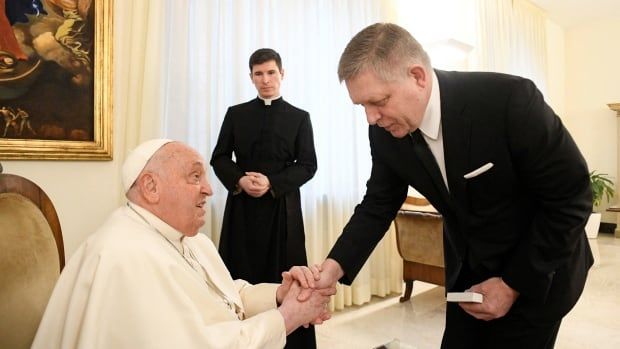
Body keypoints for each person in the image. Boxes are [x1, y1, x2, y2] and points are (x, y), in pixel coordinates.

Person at [313, 23, 594, 348]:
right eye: (362, 106)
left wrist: (512, 284)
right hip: (469, 272)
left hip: (537, 269)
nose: (371, 118)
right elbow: (378, 203)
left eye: (378, 101)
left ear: (418, 76)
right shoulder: (385, 131)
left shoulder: (508, 101)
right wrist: (332, 269)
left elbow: (572, 197)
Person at [32, 139, 333, 349]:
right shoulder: (124, 256)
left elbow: (227, 295)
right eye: (195, 177)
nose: (209, 190)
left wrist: (280, 294)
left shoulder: (190, 239)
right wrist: (289, 316)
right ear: (151, 187)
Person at [211, 48, 318, 348]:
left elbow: (309, 165)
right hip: (242, 212)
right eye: (259, 74)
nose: (266, 79)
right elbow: (219, 157)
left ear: (282, 74)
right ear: (251, 77)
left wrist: (273, 182)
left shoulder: (300, 118)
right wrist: (240, 180)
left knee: (288, 281)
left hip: (282, 211)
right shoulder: (236, 114)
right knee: (240, 278)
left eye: (271, 72)